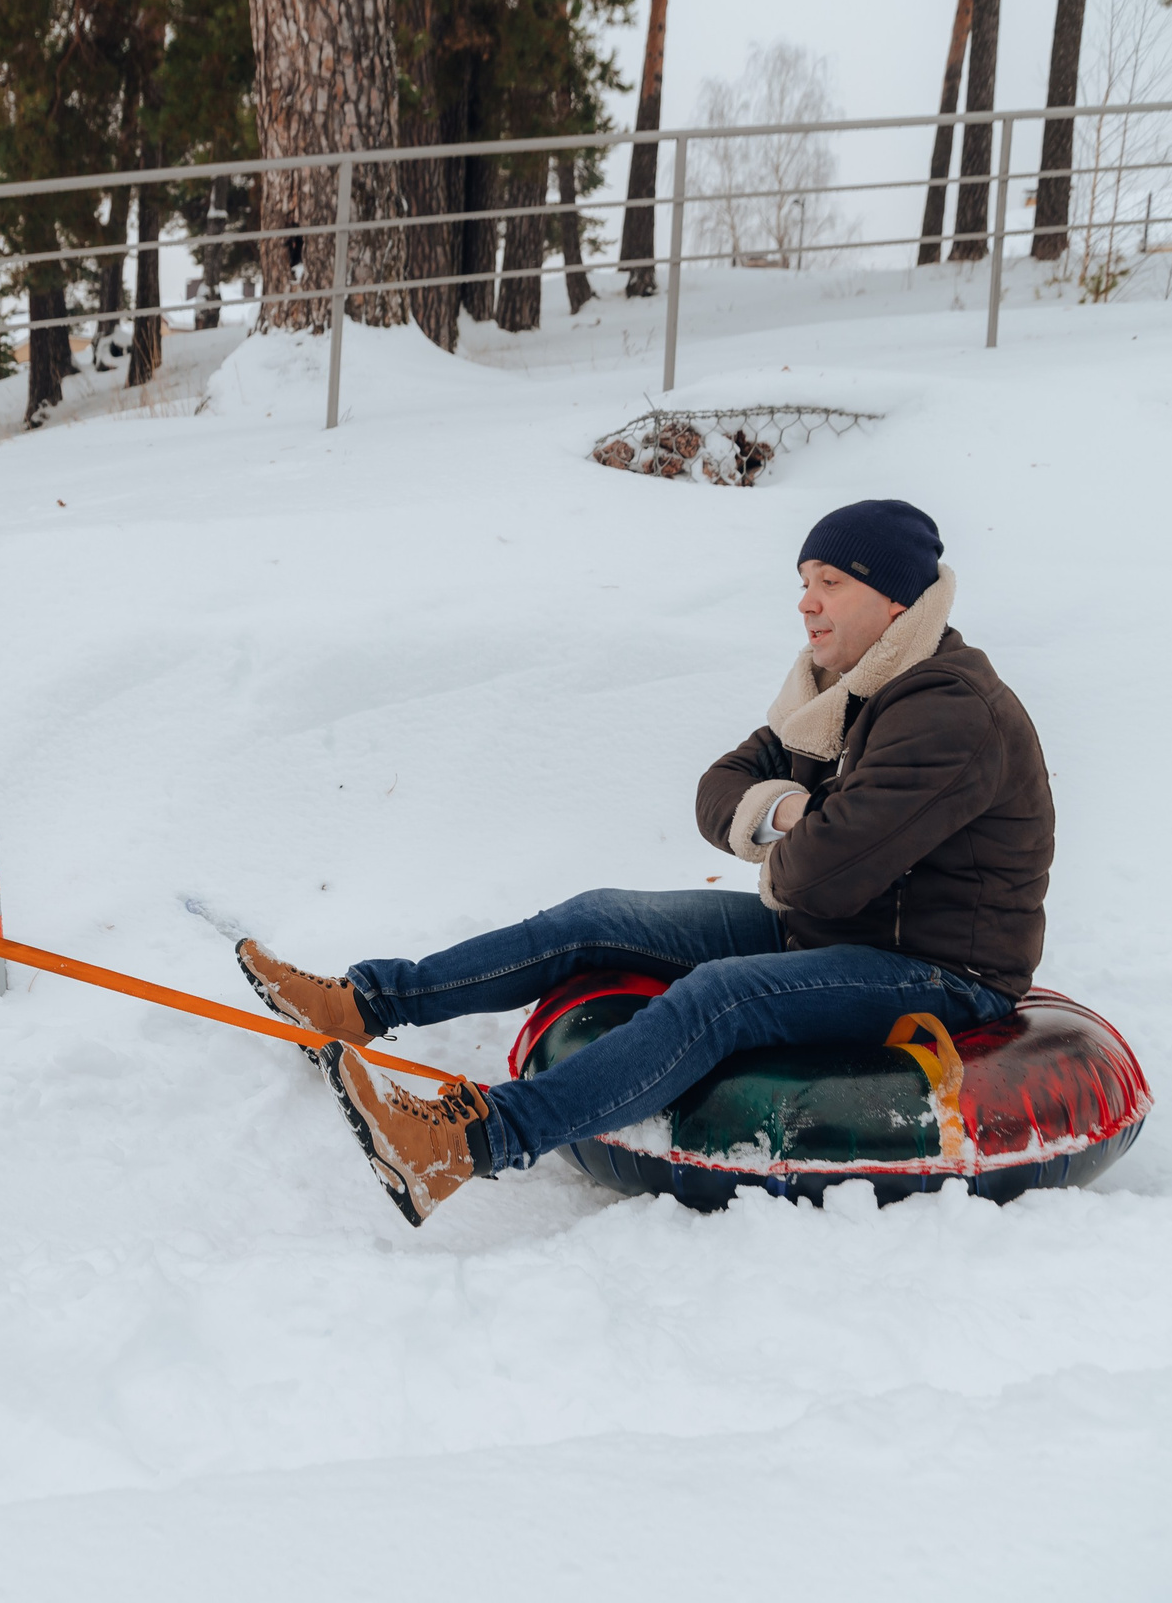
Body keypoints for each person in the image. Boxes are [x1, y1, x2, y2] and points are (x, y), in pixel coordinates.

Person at [237, 500, 1054, 1226]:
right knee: (598, 916)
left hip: (937, 967)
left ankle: (467, 1144)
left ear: (896, 600)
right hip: (833, 927)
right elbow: (720, 786)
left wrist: (801, 829)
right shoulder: (839, 693)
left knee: (721, 997)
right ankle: (361, 1003)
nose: (806, 601)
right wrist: (787, 809)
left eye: (831, 582)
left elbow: (821, 873)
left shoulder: (947, 711)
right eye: (805, 581)